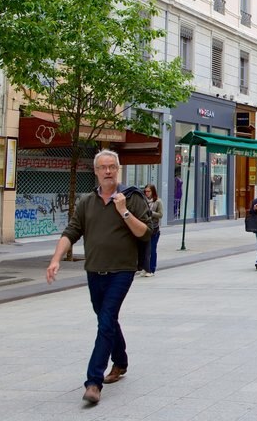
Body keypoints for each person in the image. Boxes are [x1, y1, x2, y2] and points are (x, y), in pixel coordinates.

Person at [45, 150, 151, 405]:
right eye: (103, 167)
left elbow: (145, 233)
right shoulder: (86, 202)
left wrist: (124, 211)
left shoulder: (131, 198)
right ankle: (121, 361)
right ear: (95, 171)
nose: (107, 171)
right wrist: (55, 259)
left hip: (122, 271)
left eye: (112, 167)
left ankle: (93, 382)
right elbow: (71, 232)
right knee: (108, 320)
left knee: (105, 321)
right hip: (94, 271)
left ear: (118, 169)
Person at [141, 184, 163, 277]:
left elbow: (160, 214)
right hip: (145, 227)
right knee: (145, 250)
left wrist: (151, 213)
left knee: (152, 249)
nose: (147, 193)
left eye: (148, 191)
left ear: (153, 191)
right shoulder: (143, 201)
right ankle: (145, 268)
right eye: (145, 191)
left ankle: (151, 269)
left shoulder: (158, 201)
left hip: (154, 228)